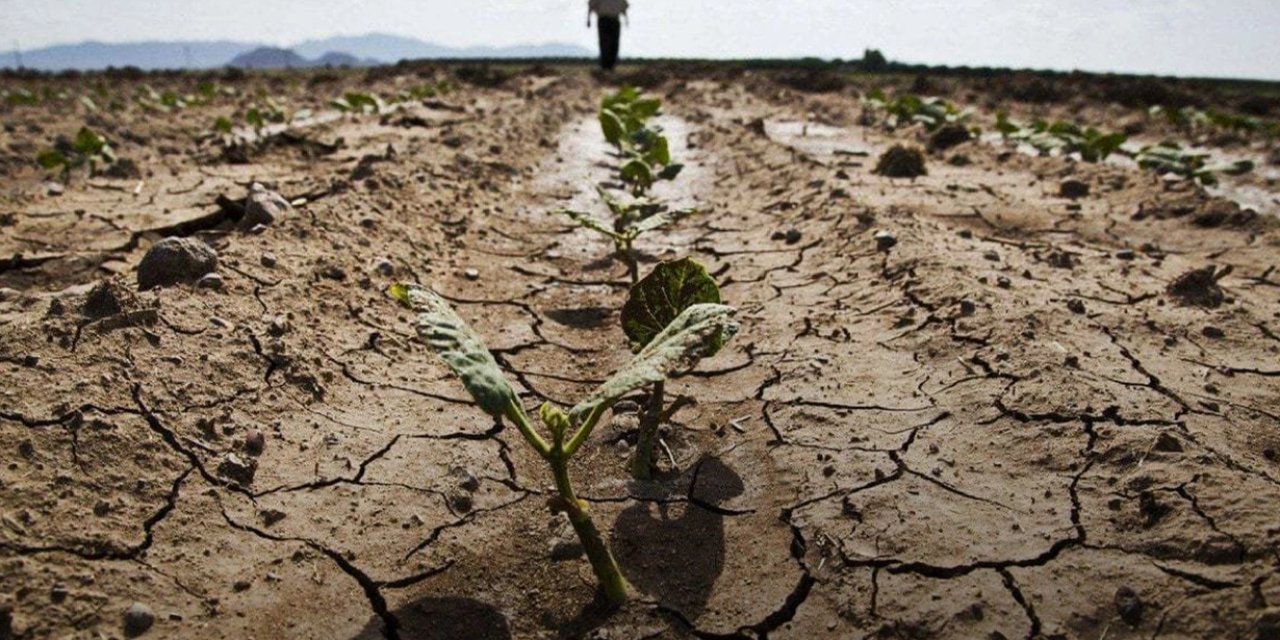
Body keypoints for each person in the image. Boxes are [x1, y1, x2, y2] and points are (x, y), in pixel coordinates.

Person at [587, 0, 629, 71]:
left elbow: (623, 8)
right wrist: (588, 19)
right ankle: (605, 65)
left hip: (615, 19)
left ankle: (611, 66)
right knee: (604, 43)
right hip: (603, 19)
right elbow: (591, 5)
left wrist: (626, 19)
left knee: (614, 43)